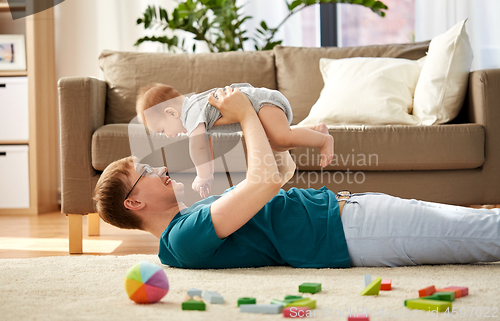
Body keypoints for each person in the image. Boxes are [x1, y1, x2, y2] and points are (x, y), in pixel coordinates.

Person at [93, 87, 500, 269]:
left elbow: (277, 175)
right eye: (145, 172)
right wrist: (245, 112)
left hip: (349, 212)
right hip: (351, 232)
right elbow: (265, 182)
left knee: (481, 227)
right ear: (134, 202)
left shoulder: (196, 214)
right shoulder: (183, 237)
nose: (161, 167)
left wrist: (276, 136)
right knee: (485, 233)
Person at [135, 83, 334, 198]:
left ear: (171, 113)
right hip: (261, 105)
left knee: (282, 139)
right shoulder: (197, 112)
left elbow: (197, 146)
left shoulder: (191, 112)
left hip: (262, 103)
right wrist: (209, 174)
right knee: (274, 141)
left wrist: (201, 176)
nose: (168, 135)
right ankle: (315, 130)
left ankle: (323, 140)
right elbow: (207, 146)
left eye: (163, 130)